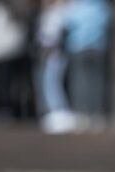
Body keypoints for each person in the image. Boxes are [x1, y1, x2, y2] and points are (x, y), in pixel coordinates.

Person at [63, 0, 113, 130]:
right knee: (97, 82)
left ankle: (81, 113)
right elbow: (108, 21)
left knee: (79, 81)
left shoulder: (76, 5)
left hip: (78, 47)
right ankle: (95, 113)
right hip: (97, 48)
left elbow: (67, 22)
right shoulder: (102, 6)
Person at [36, 0, 75, 133]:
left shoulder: (60, 12)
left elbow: (55, 34)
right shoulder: (54, 12)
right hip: (51, 52)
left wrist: (50, 47)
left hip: (55, 52)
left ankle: (59, 112)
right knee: (49, 82)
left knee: (52, 83)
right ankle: (56, 112)